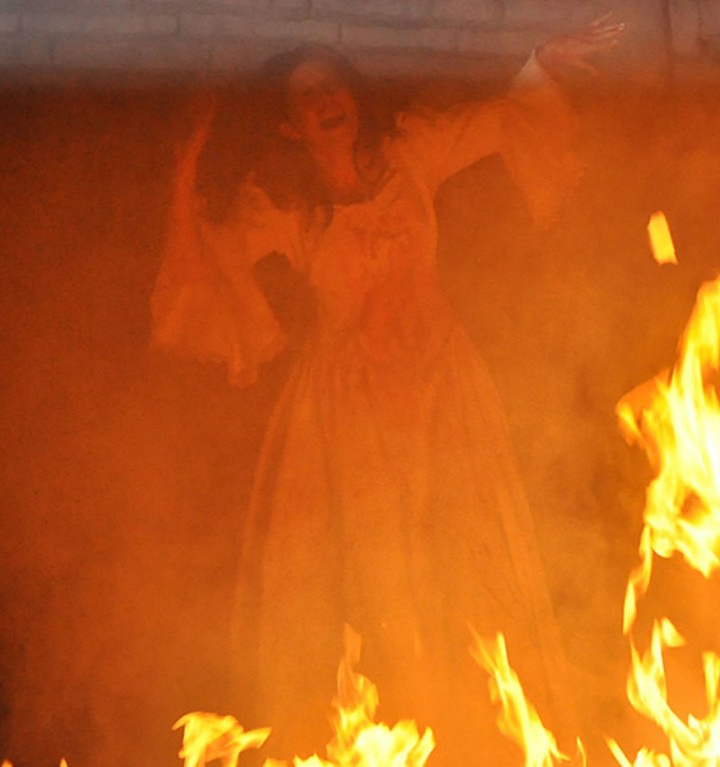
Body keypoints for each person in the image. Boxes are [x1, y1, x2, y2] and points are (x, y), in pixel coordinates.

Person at [151, 18, 622, 765]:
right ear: (289, 120)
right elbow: (202, 271)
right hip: (351, 412)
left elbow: (501, 120)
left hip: (443, 389)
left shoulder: (409, 154)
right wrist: (184, 167)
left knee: (472, 568)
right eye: (305, 93)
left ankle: (491, 740)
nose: (325, 98)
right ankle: (409, 739)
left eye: (332, 81)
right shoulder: (283, 205)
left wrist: (539, 63)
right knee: (387, 585)